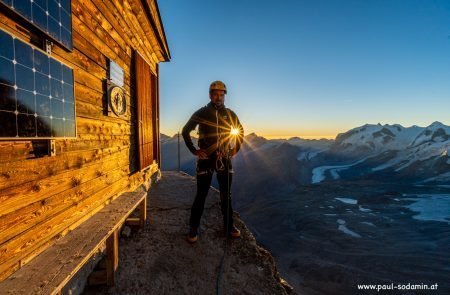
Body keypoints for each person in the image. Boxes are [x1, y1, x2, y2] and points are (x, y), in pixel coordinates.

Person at [182, 80, 244, 243]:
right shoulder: (201, 112)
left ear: (225, 96)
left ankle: (229, 226)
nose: (219, 97)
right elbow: (185, 131)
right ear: (210, 95)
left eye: (221, 95)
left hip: (223, 158)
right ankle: (193, 228)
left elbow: (240, 131)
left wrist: (234, 149)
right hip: (205, 159)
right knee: (201, 194)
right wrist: (195, 150)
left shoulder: (230, 114)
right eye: (216, 94)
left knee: (226, 195)